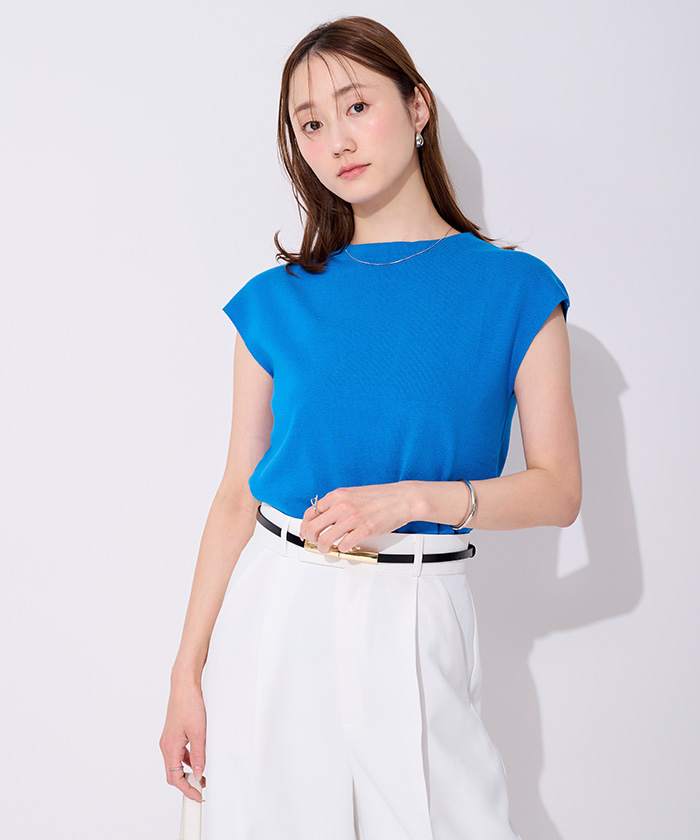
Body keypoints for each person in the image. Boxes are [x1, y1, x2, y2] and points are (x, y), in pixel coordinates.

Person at [159, 15, 582, 840]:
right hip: (277, 609)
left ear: (417, 106)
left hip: (420, 610)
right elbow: (236, 496)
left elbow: (559, 490)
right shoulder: (276, 302)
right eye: (311, 124)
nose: (338, 141)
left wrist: (414, 498)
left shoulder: (517, 291)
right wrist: (186, 672)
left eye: (357, 106)